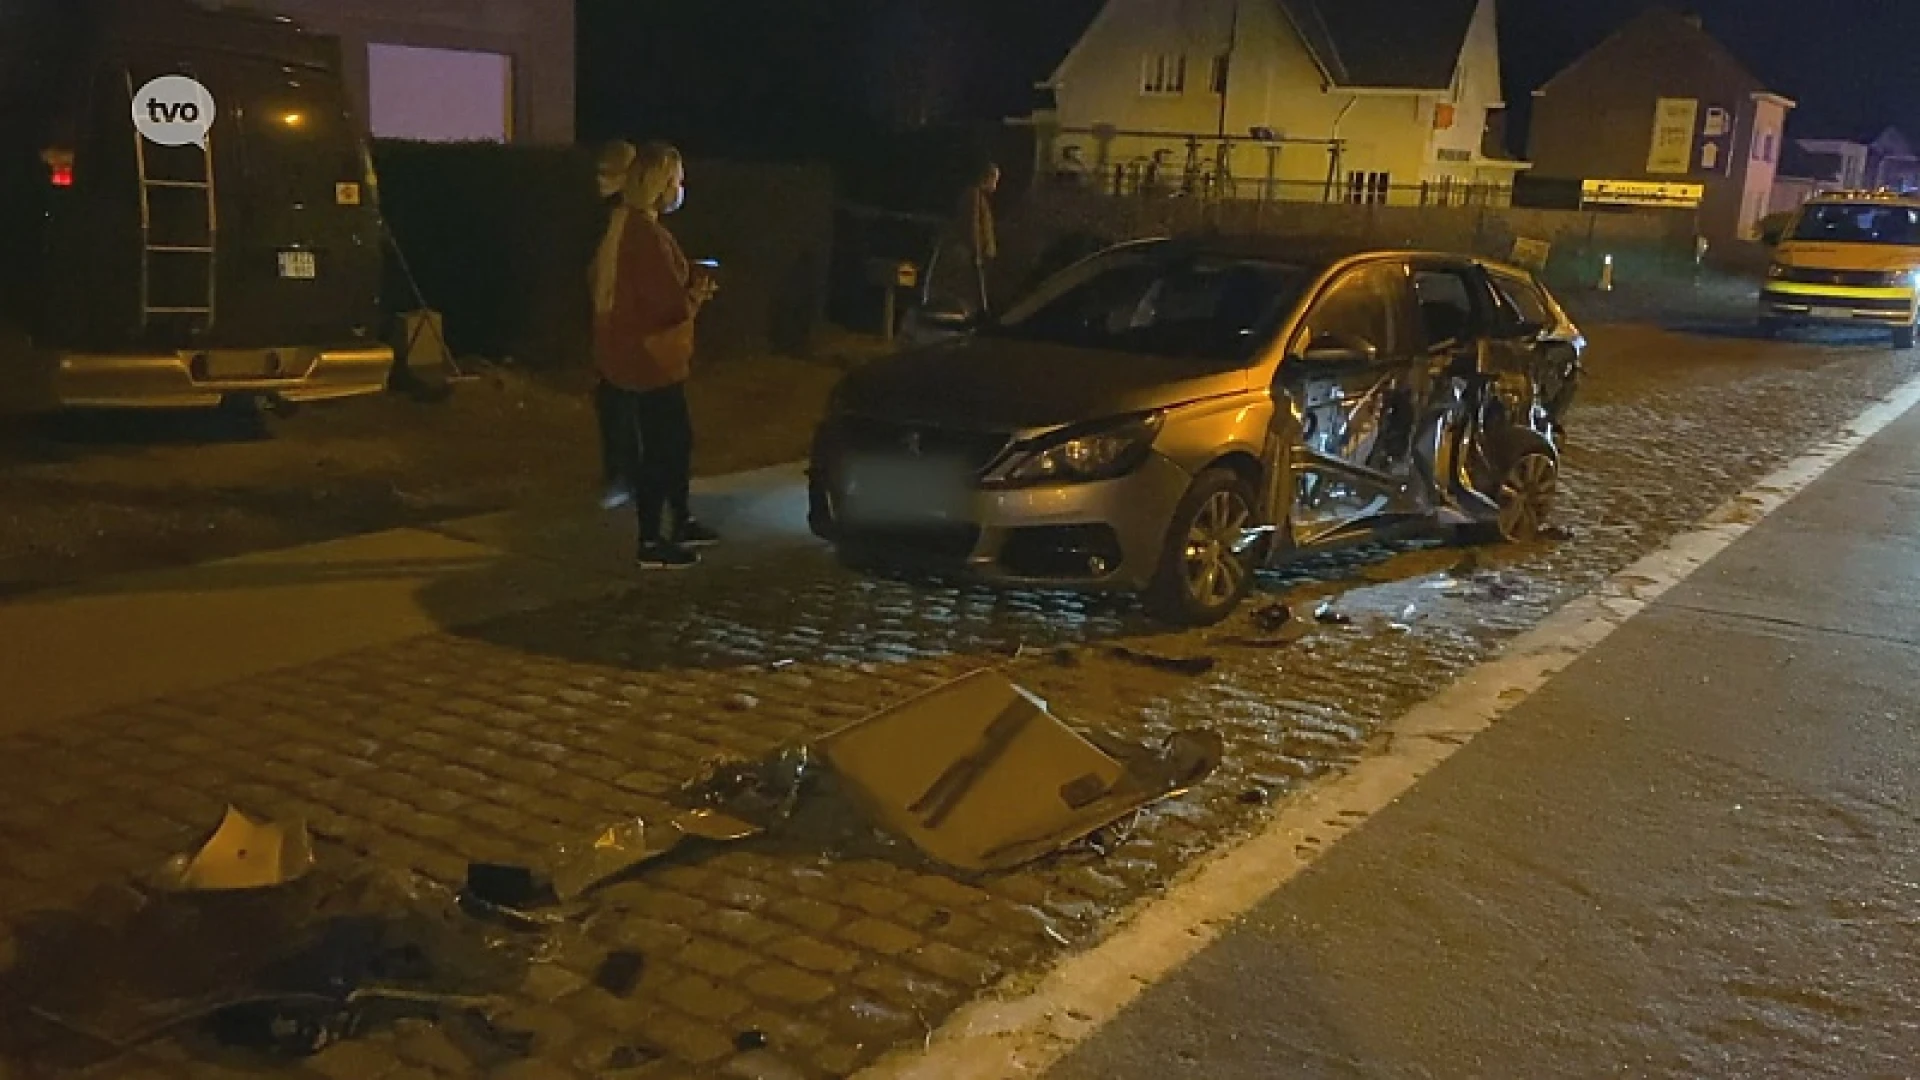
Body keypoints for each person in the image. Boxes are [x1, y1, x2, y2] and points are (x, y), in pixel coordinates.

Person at [592, 141, 720, 569]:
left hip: (645, 357)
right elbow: (667, 304)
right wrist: (697, 293)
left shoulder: (629, 226)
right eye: (677, 180)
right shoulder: (644, 234)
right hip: (652, 360)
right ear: (661, 183)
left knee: (673, 443)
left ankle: (677, 521)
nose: (680, 188)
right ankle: (652, 540)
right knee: (665, 447)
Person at [591, 139, 639, 510]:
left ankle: (624, 476)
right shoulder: (614, 217)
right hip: (615, 326)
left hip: (624, 327)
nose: (601, 180)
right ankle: (624, 475)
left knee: (620, 401)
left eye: (610, 173)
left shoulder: (626, 219)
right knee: (616, 400)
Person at [953, 161, 999, 316]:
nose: (996, 185)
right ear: (988, 178)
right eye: (995, 180)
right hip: (975, 255)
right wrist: (976, 252)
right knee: (971, 290)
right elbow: (972, 226)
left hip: (982, 255)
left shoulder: (980, 198)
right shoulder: (974, 196)